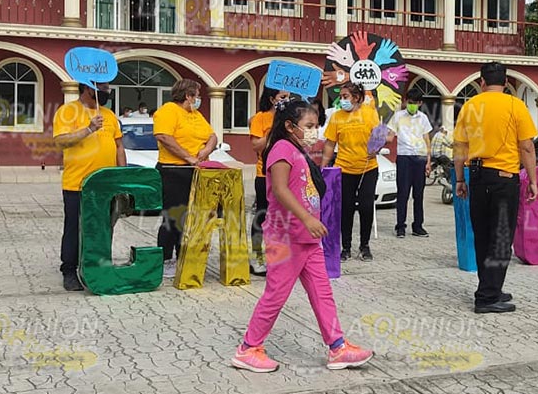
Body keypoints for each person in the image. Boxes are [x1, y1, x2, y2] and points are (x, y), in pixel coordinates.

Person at [232, 99, 373, 373]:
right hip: (286, 237)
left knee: (323, 293)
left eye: (317, 125)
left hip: (307, 240)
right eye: (309, 125)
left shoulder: (298, 151)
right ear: (289, 126)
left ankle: (337, 347)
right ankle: (248, 348)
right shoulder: (281, 149)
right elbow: (282, 190)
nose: (315, 130)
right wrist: (307, 217)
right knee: (276, 295)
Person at [454, 61, 538, 314]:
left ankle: (490, 286)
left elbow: (460, 147)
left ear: (481, 82)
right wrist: (533, 180)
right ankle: (487, 297)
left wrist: (460, 179)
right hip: (504, 178)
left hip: (477, 177)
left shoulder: (469, 106)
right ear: (505, 83)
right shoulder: (515, 105)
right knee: (501, 237)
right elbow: (526, 147)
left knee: (482, 235)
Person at [52, 83, 125, 291]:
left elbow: (119, 146)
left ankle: (98, 266)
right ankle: (69, 270)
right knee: (75, 227)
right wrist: (89, 128)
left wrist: (122, 175)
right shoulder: (67, 111)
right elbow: (60, 141)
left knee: (104, 227)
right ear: (88, 88)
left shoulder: (110, 115)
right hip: (78, 183)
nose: (108, 91)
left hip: (106, 184)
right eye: (103, 87)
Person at [153, 80, 217, 277]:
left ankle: (184, 256)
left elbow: (212, 135)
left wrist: (206, 149)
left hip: (195, 171)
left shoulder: (196, 115)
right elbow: (164, 136)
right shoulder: (169, 110)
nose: (199, 99)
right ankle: (165, 258)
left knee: (189, 217)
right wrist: (187, 156)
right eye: (197, 95)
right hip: (173, 170)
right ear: (188, 96)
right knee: (173, 216)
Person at [322, 83, 380, 262]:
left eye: (346, 96)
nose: (342, 99)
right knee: (346, 208)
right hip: (344, 168)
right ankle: (345, 246)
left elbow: (378, 136)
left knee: (365, 206)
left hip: (367, 168)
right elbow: (330, 143)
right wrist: (323, 168)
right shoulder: (336, 117)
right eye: (341, 96)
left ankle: (365, 245)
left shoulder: (370, 113)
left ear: (356, 97)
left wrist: (376, 146)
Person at [248, 86, 287, 276]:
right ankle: (257, 256)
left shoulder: (291, 117)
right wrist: (274, 131)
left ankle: (279, 256)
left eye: (289, 97)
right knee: (263, 216)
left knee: (282, 218)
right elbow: (256, 145)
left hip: (287, 174)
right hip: (265, 175)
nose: (286, 100)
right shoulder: (260, 118)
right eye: (283, 97)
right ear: (272, 99)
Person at [387, 88, 433, 238]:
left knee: (418, 194)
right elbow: (390, 135)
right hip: (404, 157)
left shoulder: (423, 118)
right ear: (406, 102)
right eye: (409, 102)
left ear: (420, 103)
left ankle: (418, 226)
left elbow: (427, 139)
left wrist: (428, 161)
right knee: (403, 193)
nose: (411, 105)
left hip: (419, 158)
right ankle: (400, 226)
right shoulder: (398, 116)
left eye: (414, 103)